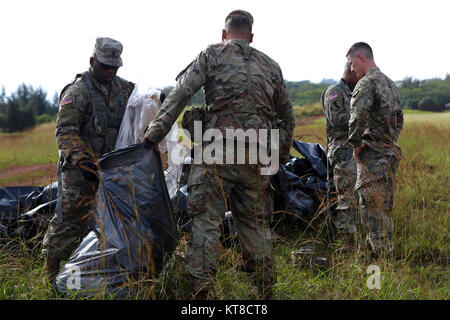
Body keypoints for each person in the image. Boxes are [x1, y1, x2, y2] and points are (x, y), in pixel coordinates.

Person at [144, 10, 295, 299]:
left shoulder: (212, 54)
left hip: (216, 152)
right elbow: (287, 118)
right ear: (251, 36)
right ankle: (266, 292)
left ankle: (201, 294)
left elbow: (181, 94)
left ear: (224, 34)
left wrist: (153, 134)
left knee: (206, 222)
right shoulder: (272, 66)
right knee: (255, 227)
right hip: (257, 158)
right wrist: (280, 157)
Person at [42, 37, 135, 284]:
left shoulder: (125, 90)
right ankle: (50, 277)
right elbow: (65, 133)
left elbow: (140, 118)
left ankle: (101, 279)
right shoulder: (78, 91)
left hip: (113, 172)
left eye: (115, 67)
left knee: (112, 226)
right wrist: (85, 163)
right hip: (79, 173)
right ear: (93, 61)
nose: (111, 71)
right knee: (69, 223)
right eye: (106, 66)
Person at [346, 42, 403, 255]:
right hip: (389, 155)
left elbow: (357, 117)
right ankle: (384, 262)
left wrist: (355, 144)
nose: (351, 69)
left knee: (372, 213)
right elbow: (400, 119)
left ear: (361, 57)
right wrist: (389, 142)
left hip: (372, 158)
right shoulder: (389, 83)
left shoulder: (366, 84)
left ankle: (377, 273)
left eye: (351, 63)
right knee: (383, 211)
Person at [321, 62, 359, 246]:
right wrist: (361, 115)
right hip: (342, 151)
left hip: (357, 150)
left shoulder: (359, 91)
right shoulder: (334, 92)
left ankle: (355, 236)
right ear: (351, 69)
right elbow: (337, 119)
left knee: (357, 196)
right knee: (346, 197)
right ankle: (346, 242)